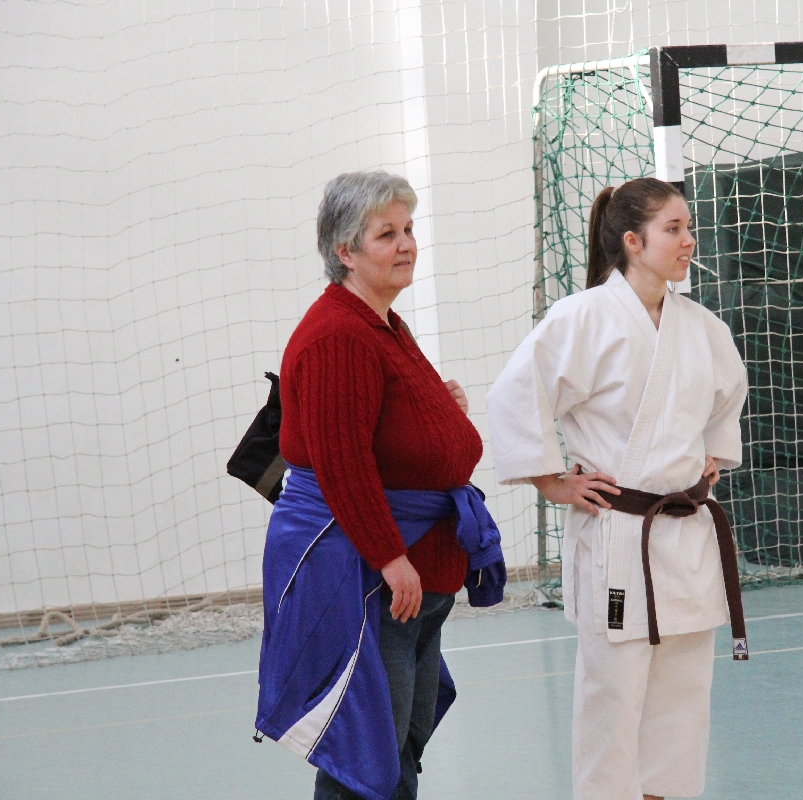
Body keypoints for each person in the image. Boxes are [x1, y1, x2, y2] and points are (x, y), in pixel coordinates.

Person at [487, 178, 749, 800]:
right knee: (614, 692)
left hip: (684, 530)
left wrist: (712, 452)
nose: (688, 241)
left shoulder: (701, 325)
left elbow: (727, 395)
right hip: (619, 532)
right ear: (633, 241)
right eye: (673, 230)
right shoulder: (583, 317)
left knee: (684, 693)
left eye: (689, 228)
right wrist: (552, 481)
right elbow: (516, 394)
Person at [253, 170, 504, 800]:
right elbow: (343, 464)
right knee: (365, 755)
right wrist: (390, 558)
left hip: (415, 569)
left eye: (409, 229)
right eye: (386, 234)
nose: (406, 244)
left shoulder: (381, 323)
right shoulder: (338, 335)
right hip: (371, 576)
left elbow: (386, 429)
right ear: (346, 251)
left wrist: (438, 413)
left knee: (399, 747)